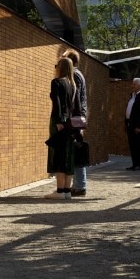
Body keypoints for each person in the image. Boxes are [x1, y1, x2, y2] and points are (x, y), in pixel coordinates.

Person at [45, 56, 76, 200]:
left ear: (61, 67)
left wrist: (58, 121)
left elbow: (57, 103)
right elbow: (75, 107)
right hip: (70, 123)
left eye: (57, 65)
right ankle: (67, 190)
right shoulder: (73, 84)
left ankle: (59, 191)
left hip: (59, 121)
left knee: (58, 154)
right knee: (68, 155)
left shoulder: (56, 82)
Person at [63, 50, 88, 196]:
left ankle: (80, 186)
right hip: (78, 118)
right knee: (77, 150)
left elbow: (76, 99)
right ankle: (79, 184)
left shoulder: (75, 75)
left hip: (75, 119)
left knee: (76, 151)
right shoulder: (78, 75)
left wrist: (74, 119)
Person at [125, 77, 140, 170]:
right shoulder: (132, 96)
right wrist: (125, 122)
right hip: (129, 124)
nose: (132, 86)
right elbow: (128, 110)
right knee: (132, 145)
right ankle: (134, 164)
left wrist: (139, 126)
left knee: (138, 145)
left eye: (134, 84)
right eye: (133, 84)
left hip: (137, 126)